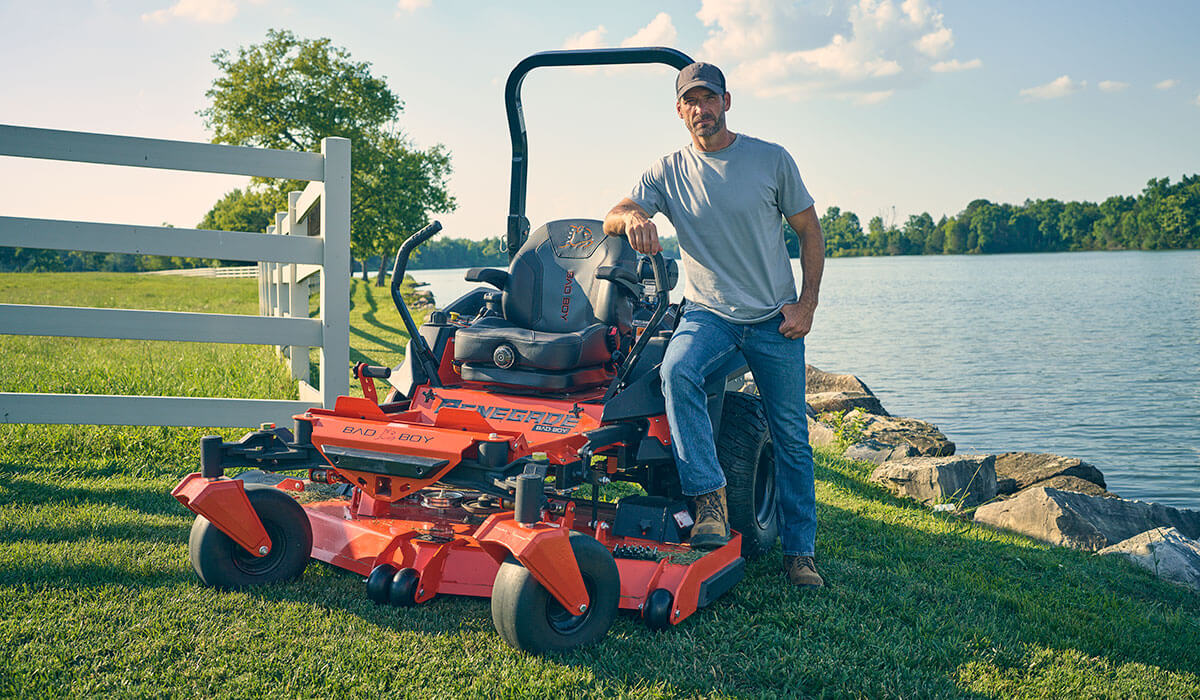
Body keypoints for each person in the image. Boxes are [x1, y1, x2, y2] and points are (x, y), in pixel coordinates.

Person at [602, 62, 826, 588]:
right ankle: (710, 503)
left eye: (709, 99)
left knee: (791, 436)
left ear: (727, 102)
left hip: (775, 319)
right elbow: (615, 210)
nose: (701, 110)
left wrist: (806, 304)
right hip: (709, 315)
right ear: (679, 111)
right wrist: (633, 218)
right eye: (690, 102)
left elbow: (810, 232)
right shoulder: (666, 171)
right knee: (676, 371)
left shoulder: (770, 160)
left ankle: (800, 553)